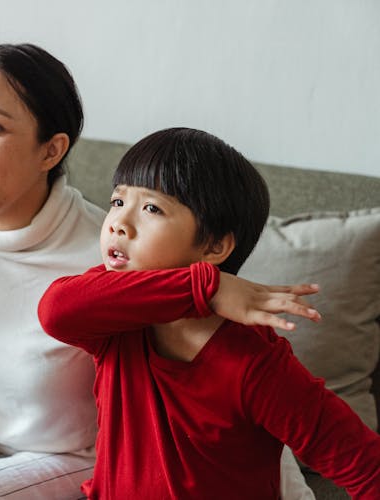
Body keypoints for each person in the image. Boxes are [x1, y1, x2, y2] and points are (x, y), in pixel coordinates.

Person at [0, 44, 321, 499]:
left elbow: (225, 383)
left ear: (51, 149)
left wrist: (211, 288)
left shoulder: (115, 251)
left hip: (74, 458)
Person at [38, 127, 380, 499]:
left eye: (152, 208)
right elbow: (55, 310)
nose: (119, 222)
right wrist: (208, 288)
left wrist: (202, 286)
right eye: (118, 202)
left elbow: (364, 465)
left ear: (215, 246)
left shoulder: (255, 362)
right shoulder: (116, 316)